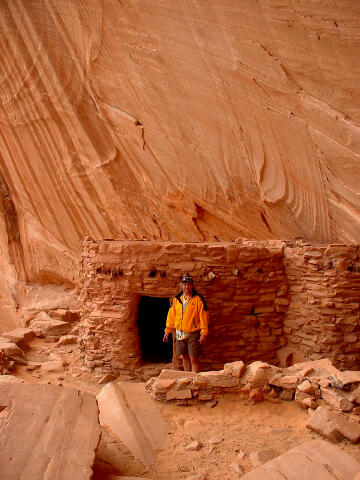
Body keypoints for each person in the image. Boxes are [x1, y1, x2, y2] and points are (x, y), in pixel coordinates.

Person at [163, 273, 209, 373]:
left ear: (192, 286)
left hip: (193, 332)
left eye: (188, 284)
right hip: (180, 333)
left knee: (194, 358)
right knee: (184, 356)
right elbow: (171, 316)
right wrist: (167, 331)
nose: (186, 287)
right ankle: (188, 378)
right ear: (181, 286)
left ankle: (195, 380)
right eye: (184, 284)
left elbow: (203, 316)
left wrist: (204, 333)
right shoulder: (176, 299)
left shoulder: (198, 299)